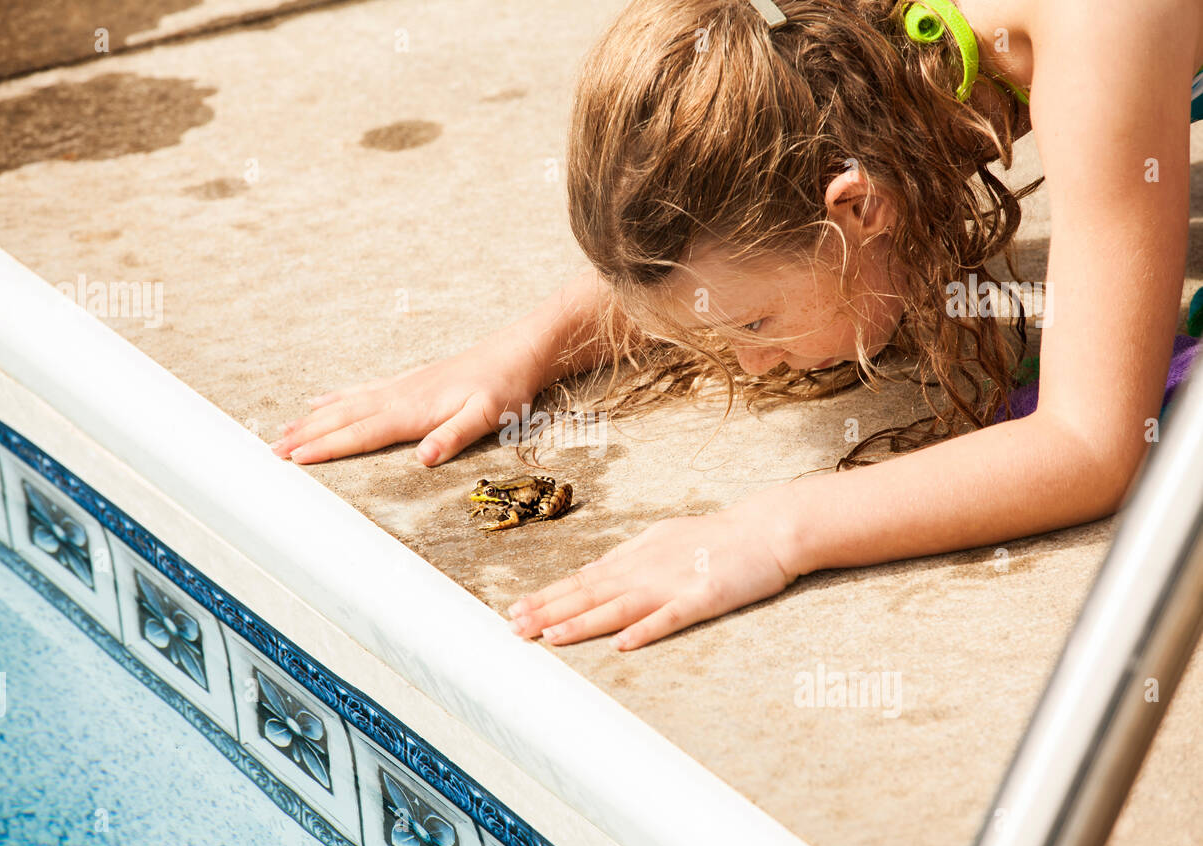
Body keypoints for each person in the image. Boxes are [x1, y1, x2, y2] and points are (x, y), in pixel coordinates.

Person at [271, 0, 1203, 651]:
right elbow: (736, 219)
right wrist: (524, 348)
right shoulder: (804, 46)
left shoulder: (1099, 29)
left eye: (753, 321)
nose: (747, 360)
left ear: (858, 208)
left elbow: (1089, 443)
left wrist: (771, 533)